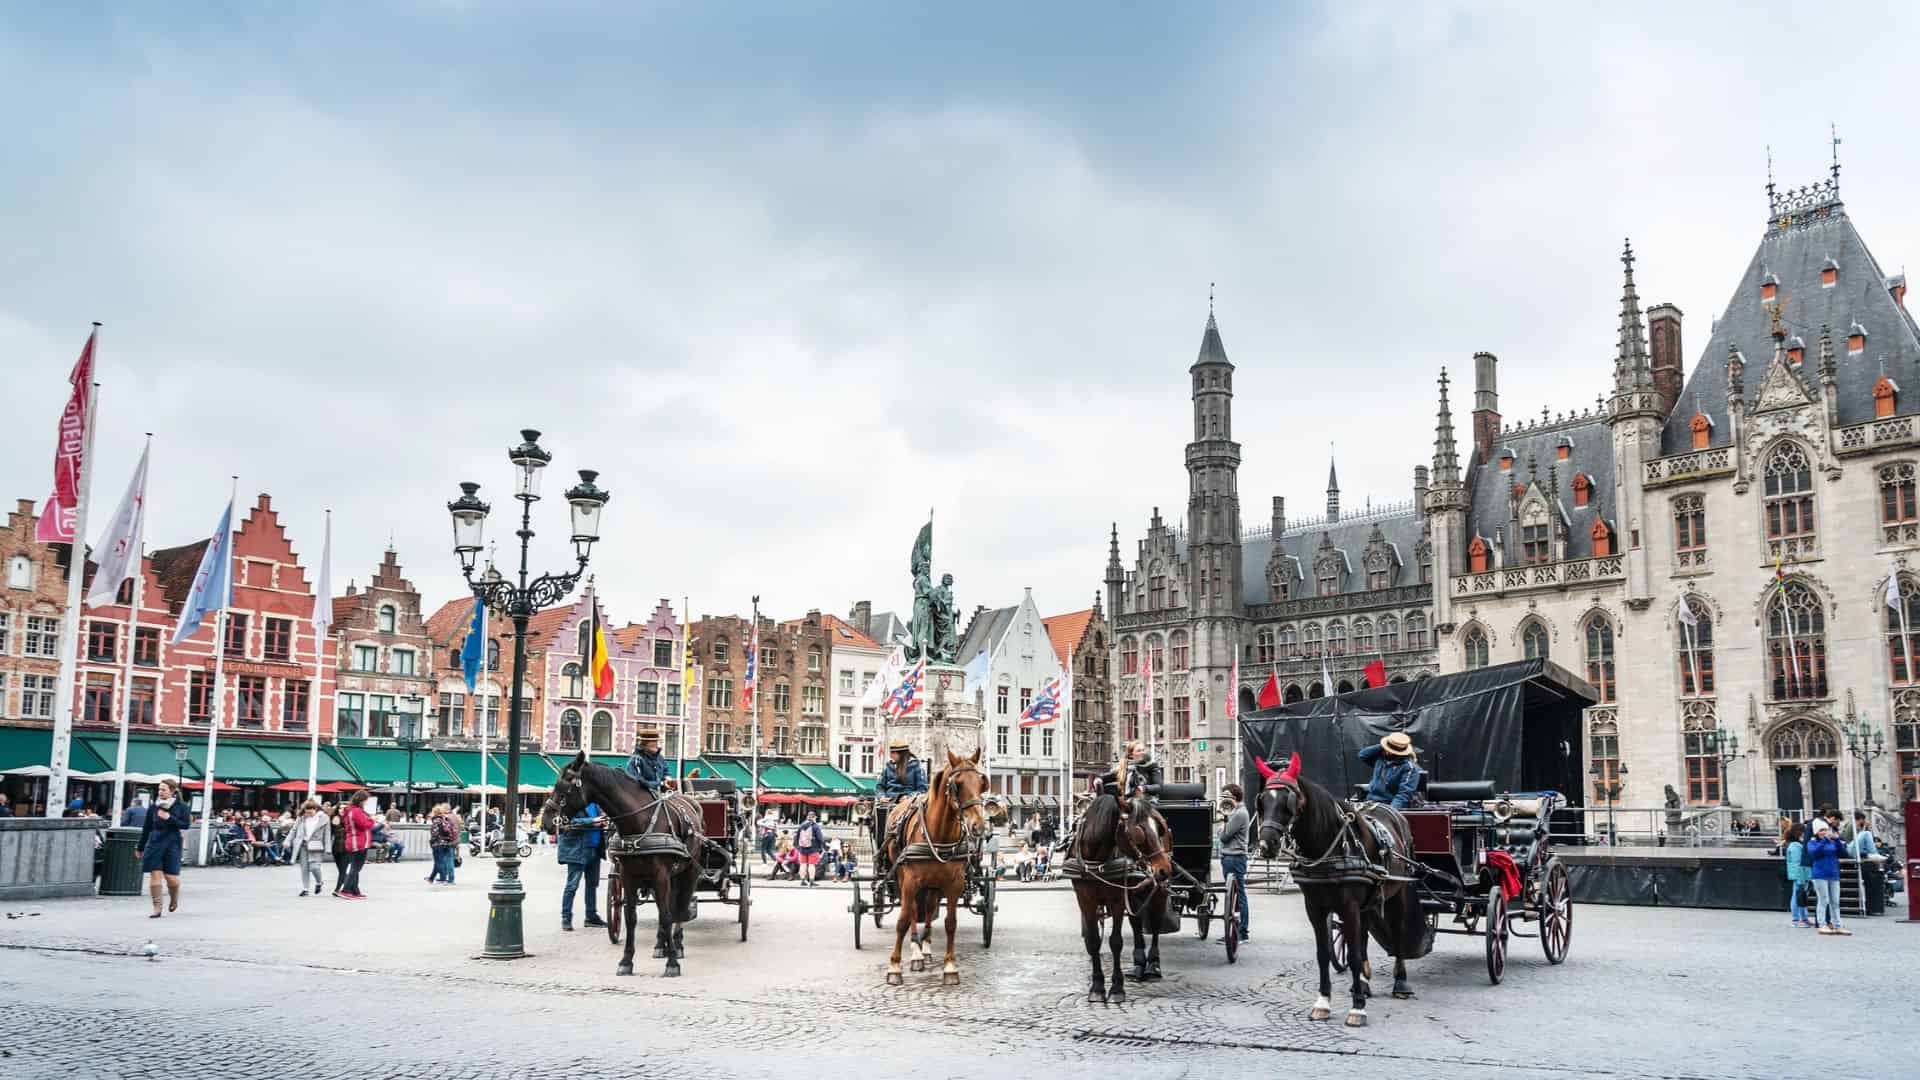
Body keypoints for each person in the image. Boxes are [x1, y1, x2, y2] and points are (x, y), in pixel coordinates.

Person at [135, 779, 190, 918]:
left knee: (171, 878)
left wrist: (169, 817)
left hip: (172, 844)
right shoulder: (154, 807)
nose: (160, 792)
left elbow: (185, 825)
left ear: (172, 791)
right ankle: (157, 908)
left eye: (163, 789)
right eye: (159, 789)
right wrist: (140, 847)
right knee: (155, 874)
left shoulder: (182, 806)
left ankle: (174, 898)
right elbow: (146, 828)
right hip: (154, 843)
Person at [557, 799, 606, 930]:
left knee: (592, 884)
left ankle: (591, 916)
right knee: (572, 885)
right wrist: (593, 821)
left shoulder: (596, 804)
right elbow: (568, 822)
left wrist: (603, 822)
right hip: (578, 850)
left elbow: (600, 820)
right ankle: (566, 917)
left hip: (595, 849)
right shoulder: (572, 803)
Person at [1217, 782, 1252, 942]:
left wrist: (1221, 828)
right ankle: (1234, 931)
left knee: (1238, 896)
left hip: (1235, 857)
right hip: (1231, 857)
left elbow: (1224, 836)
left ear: (1234, 797)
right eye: (1222, 796)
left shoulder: (1239, 813)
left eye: (1226, 796)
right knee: (1233, 897)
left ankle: (1242, 932)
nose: (1223, 799)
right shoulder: (1236, 812)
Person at [1806, 819, 1850, 935]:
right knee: (1823, 900)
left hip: (1833, 873)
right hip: (1820, 874)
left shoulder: (1832, 842)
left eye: (1825, 829)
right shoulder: (1812, 842)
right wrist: (1825, 840)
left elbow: (1843, 853)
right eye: (1821, 830)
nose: (1824, 832)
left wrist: (1838, 841)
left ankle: (1837, 925)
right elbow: (1814, 854)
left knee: (1835, 901)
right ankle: (1822, 924)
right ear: (1816, 831)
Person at [1359, 732, 1423, 810]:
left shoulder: (1410, 768)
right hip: (1371, 801)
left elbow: (1403, 794)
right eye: (1386, 748)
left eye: (1389, 750)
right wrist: (1384, 745)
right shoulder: (1380, 757)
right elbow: (1363, 755)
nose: (1386, 751)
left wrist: (1391, 811)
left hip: (1389, 804)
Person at [286, 799, 331, 897]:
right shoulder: (301, 817)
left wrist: (328, 848)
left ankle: (319, 882)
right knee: (304, 868)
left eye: (310, 812)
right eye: (306, 812)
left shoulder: (324, 818)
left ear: (316, 809)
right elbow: (293, 830)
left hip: (316, 846)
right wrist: (287, 841)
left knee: (315, 867)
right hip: (303, 845)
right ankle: (305, 889)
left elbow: (327, 834)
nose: (308, 814)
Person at [337, 791, 376, 899]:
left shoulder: (351, 810)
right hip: (358, 842)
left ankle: (355, 891)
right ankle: (346, 890)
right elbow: (365, 825)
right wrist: (373, 820)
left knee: (355, 867)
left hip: (355, 841)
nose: (366, 803)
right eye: (365, 801)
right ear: (361, 800)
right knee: (356, 867)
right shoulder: (356, 811)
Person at [427, 803, 459, 885]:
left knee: (444, 861)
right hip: (451, 840)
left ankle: (445, 879)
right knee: (445, 860)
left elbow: (435, 833)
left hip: (444, 842)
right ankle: (437, 878)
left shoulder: (444, 818)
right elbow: (458, 828)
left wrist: (431, 842)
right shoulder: (455, 816)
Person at [793, 812, 825, 887]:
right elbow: (820, 838)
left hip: (802, 848)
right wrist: (821, 846)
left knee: (803, 864)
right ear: (813, 818)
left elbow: (797, 836)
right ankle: (811, 881)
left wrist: (798, 846)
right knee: (811, 865)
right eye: (815, 817)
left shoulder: (801, 825)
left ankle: (802, 881)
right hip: (813, 848)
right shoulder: (815, 826)